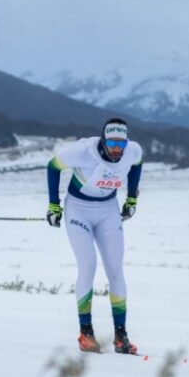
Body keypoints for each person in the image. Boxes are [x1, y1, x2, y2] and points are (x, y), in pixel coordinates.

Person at [46, 118, 143, 354]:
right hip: (78, 209)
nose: (117, 148)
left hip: (108, 210)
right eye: (112, 142)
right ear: (103, 140)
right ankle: (85, 333)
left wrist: (131, 198)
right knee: (88, 265)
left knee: (115, 269)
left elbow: (137, 164)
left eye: (122, 142)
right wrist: (53, 205)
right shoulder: (83, 151)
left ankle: (121, 336)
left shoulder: (133, 151)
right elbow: (53, 166)